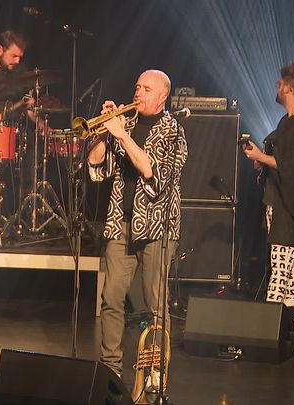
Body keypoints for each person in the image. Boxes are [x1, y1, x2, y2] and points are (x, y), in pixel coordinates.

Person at [87, 70, 187, 382]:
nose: (138, 93)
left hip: (158, 228)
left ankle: (155, 369)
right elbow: (95, 167)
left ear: (162, 97)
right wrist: (103, 133)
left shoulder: (174, 131)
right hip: (121, 223)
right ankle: (111, 368)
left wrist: (121, 136)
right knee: (111, 298)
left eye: (146, 89)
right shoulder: (124, 124)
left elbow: (152, 173)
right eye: (137, 87)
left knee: (155, 304)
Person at [241, 62, 294, 336]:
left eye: (279, 84)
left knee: (280, 266)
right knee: (285, 266)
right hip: (276, 202)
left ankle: (268, 327)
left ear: (288, 87)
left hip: (290, 207)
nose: (276, 88)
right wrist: (262, 162)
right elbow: (280, 160)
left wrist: (260, 157)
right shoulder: (286, 123)